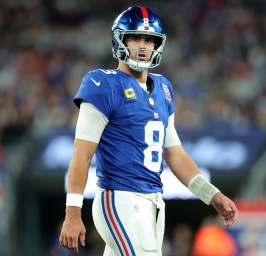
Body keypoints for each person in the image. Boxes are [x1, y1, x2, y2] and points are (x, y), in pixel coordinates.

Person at [59, 6, 238, 255]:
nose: (143, 46)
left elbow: (175, 155)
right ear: (120, 40)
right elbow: (81, 154)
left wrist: (211, 194)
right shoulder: (102, 84)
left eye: (149, 40)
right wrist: (72, 212)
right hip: (120, 197)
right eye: (135, 38)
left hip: (153, 202)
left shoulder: (163, 89)